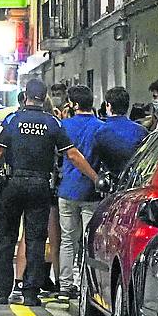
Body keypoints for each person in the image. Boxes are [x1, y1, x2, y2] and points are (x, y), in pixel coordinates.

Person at [0, 79, 98, 307]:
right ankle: (30, 293)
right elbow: (73, 155)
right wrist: (95, 177)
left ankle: (1, 293)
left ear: (26, 95)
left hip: (12, 185)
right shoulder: (52, 123)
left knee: (7, 239)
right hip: (39, 186)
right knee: (36, 240)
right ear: (45, 96)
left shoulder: (13, 120)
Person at [56, 85, 104, 298]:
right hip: (91, 192)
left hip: (66, 189)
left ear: (73, 105)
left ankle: (65, 284)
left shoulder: (62, 126)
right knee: (88, 241)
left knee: (68, 239)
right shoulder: (100, 127)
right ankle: (85, 283)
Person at [93, 87, 149, 178]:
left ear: (108, 106)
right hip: (135, 182)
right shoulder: (141, 131)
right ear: (127, 106)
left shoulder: (99, 133)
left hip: (111, 183)